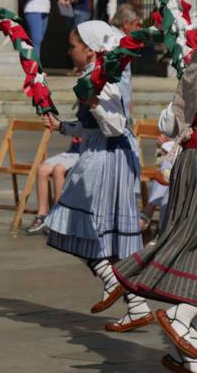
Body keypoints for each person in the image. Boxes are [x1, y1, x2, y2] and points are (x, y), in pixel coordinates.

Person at [41, 20, 153, 333]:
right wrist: (63, 126)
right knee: (101, 235)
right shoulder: (97, 73)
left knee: (71, 224)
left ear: (90, 50)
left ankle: (110, 279)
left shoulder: (104, 77)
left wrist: (94, 102)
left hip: (107, 158)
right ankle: (137, 307)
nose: (69, 52)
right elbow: (93, 128)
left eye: (73, 46)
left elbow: (114, 126)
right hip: (105, 153)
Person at [113, 64, 197, 373]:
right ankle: (182, 317)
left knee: (188, 243)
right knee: (189, 241)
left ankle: (186, 352)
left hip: (190, 159)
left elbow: (170, 121)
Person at [25, 138, 81, 235]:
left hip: (85, 153)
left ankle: (56, 216)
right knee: (42, 170)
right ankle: (42, 215)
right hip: (71, 153)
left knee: (58, 170)